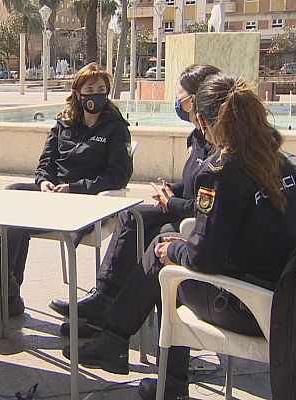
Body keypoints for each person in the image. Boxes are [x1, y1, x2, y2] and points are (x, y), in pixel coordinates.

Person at [63, 74, 296, 400]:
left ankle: (124, 345)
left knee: (167, 265)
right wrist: (177, 245)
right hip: (287, 301)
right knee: (167, 238)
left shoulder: (222, 170)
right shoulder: (284, 163)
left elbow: (204, 259)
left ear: (203, 121)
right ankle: (128, 348)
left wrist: (175, 251)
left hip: (248, 305)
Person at [49, 64, 221, 337]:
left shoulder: (217, 145)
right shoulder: (199, 137)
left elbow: (211, 204)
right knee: (134, 217)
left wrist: (172, 202)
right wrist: (172, 190)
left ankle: (110, 317)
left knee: (154, 232)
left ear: (196, 100)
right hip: (181, 210)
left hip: (192, 222)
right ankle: (104, 301)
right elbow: (193, 186)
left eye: (181, 94)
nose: (177, 99)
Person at [0, 62, 133, 322]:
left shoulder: (116, 128)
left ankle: (2, 292)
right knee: (12, 195)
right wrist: (44, 182)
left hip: (84, 202)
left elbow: (117, 176)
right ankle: (2, 287)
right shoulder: (64, 122)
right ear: (78, 93)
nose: (96, 94)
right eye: (90, 89)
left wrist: (74, 188)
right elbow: (45, 162)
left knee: (17, 220)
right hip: (51, 194)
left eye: (101, 89)